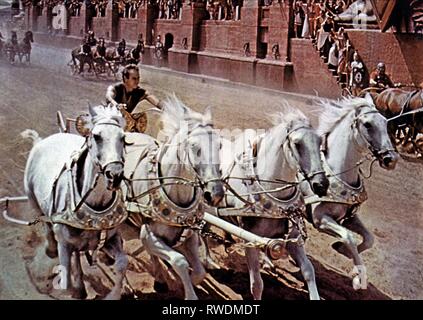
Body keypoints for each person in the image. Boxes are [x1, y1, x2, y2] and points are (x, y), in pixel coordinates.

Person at [106, 64, 164, 132]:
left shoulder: (140, 92)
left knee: (141, 118)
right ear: (125, 78)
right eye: (134, 78)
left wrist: (168, 109)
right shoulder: (115, 88)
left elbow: (157, 102)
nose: (137, 81)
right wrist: (116, 105)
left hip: (125, 124)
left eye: (138, 78)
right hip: (109, 121)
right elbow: (109, 97)